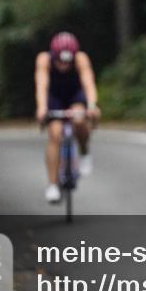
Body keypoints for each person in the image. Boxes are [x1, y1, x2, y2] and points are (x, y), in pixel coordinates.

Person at [34, 32, 100, 203]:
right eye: (60, 61)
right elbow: (42, 84)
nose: (63, 65)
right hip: (55, 96)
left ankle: (84, 152)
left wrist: (92, 106)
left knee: (79, 120)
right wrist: (42, 108)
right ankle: (53, 184)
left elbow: (88, 82)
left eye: (67, 61)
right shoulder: (44, 59)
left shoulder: (81, 59)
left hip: (74, 94)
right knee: (55, 134)